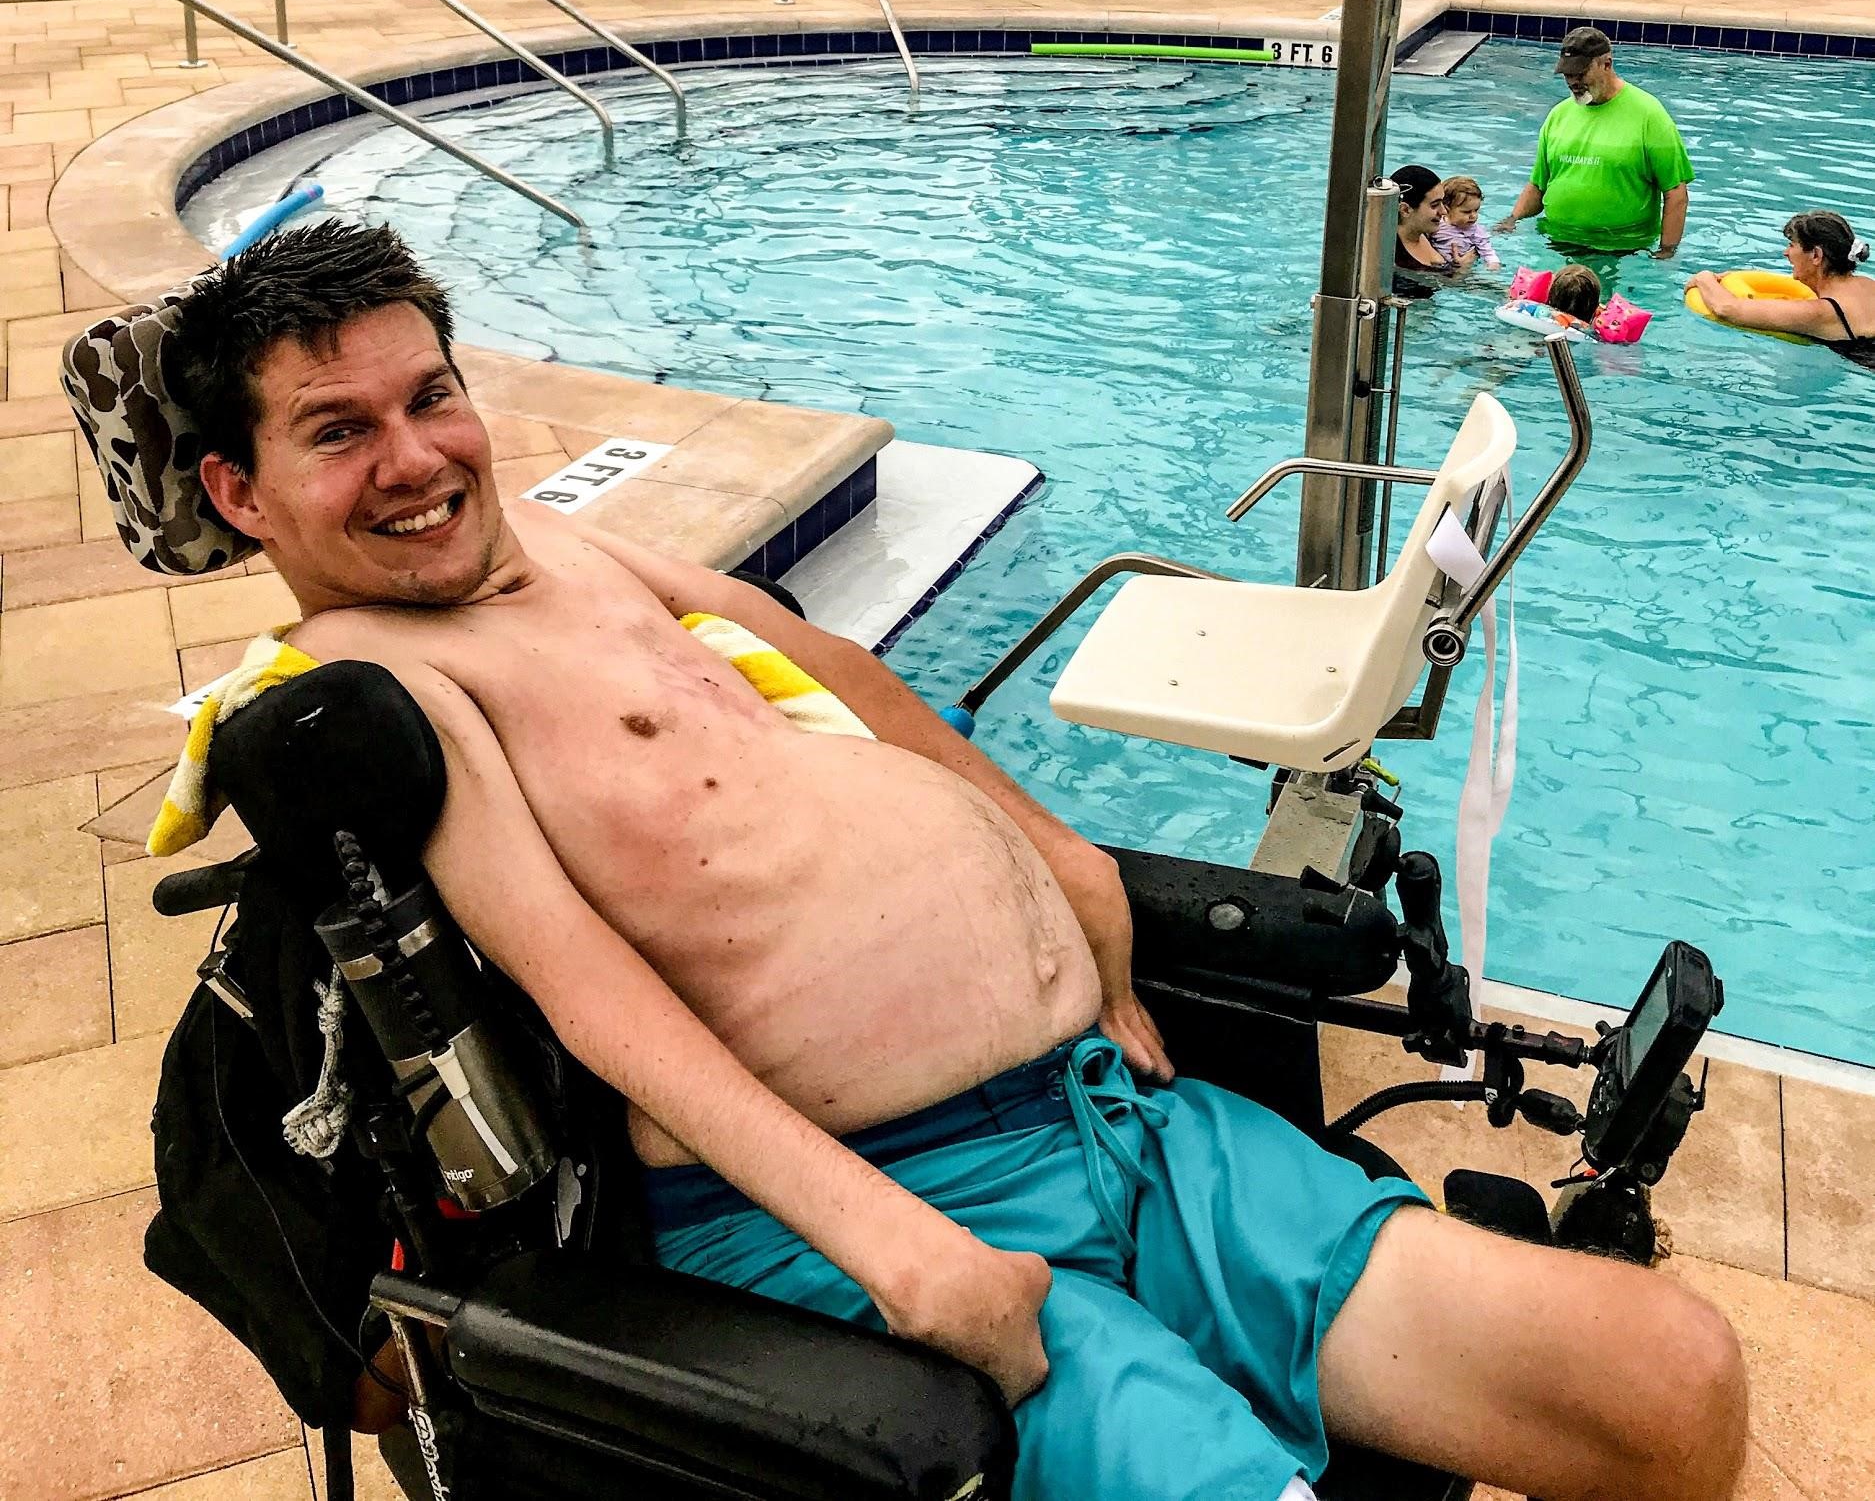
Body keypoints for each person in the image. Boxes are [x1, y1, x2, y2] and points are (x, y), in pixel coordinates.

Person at [168, 221, 1747, 1501]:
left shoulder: (559, 552)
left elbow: (815, 658)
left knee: (1666, 1386)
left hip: (1121, 1119)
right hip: (889, 1205)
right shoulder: (375, 691)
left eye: (428, 396)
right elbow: (599, 1011)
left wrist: (1071, 869)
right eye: (336, 432)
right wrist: (912, 1261)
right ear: (241, 495)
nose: (414, 457)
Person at [1496, 26, 1692, 264]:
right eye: (1567, 74)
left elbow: (1675, 192)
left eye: (1580, 73)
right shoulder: (1559, 115)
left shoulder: (1649, 115)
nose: (1573, 82)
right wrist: (1512, 220)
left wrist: (1666, 252)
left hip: (1621, 251)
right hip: (1555, 244)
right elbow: (1538, 184)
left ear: (1606, 64)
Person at [1689, 209, 1875, 370]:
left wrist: (1704, 276)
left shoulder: (1821, 312)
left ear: (1816, 255)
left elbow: (1727, 309)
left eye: (1792, 245)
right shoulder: (1868, 285)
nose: (1786, 253)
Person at [1390, 165, 1466, 290]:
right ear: (1405, 210)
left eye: (1443, 202)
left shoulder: (1431, 232)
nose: (1443, 211)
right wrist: (1461, 271)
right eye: (1434, 205)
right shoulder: (1393, 259)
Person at [1433, 176, 1500, 272]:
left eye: (1476, 210)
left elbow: (1487, 251)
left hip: (1464, 269)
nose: (1473, 216)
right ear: (1446, 209)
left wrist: (1493, 264)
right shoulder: (1437, 224)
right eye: (1467, 212)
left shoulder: (1476, 231)